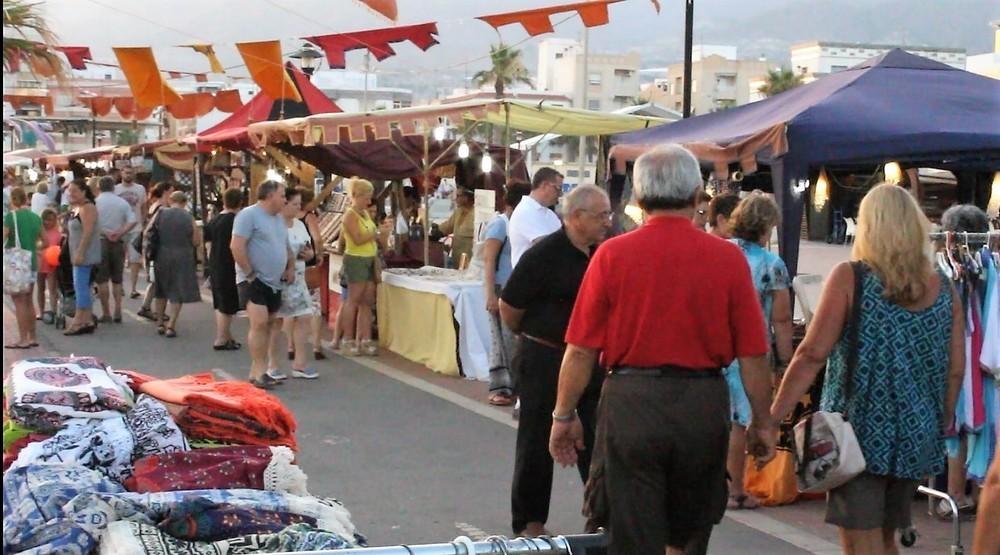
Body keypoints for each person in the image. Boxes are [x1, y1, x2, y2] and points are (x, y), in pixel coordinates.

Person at [549, 145, 776, 555]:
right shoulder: (727, 259)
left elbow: (580, 350)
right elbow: (753, 355)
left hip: (632, 403)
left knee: (630, 530)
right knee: (689, 532)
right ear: (695, 195)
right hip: (702, 405)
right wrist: (763, 422)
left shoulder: (611, 255)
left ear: (639, 197)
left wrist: (563, 414)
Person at [770, 184, 964, 555]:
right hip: (917, 430)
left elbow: (811, 353)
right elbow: (956, 370)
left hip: (857, 430)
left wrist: (773, 417)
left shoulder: (851, 277)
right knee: (886, 537)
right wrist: (942, 420)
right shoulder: (943, 288)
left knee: (860, 542)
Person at [499, 185, 612, 538]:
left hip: (590, 358)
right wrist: (537, 335)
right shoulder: (544, 254)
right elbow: (509, 307)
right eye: (601, 215)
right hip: (544, 355)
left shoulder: (603, 253)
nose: (607, 222)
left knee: (597, 436)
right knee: (536, 438)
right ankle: (529, 522)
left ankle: (602, 515)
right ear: (576, 217)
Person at [722, 193, 794, 510]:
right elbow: (781, 318)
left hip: (713, 348)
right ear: (767, 226)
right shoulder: (771, 265)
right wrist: (785, 360)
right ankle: (735, 489)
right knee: (739, 421)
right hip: (749, 352)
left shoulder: (719, 251)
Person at [937, 204, 991, 519]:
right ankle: (978, 493)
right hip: (982, 355)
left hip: (961, 353)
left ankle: (955, 494)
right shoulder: (979, 267)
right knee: (975, 420)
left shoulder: (948, 270)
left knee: (956, 422)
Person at [231, 180, 294, 389]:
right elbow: (236, 246)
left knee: (269, 324)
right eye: (282, 195)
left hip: (274, 281)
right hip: (253, 279)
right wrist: (249, 273)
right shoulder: (248, 215)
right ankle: (259, 372)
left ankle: (258, 369)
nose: (285, 200)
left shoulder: (279, 219)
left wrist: (290, 267)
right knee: (259, 323)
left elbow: (286, 247)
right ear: (269, 196)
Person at [482, 184, 529, 407]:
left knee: (513, 340)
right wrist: (490, 293)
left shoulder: (522, 224)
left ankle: (514, 385)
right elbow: (489, 259)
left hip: (516, 287)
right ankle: (500, 386)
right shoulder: (500, 224)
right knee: (502, 340)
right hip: (502, 287)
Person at [268, 187, 320, 381]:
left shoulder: (299, 224)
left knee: (304, 316)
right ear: (284, 204)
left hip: (298, 277)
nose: (299, 207)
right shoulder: (274, 224)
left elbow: (308, 247)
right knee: (277, 321)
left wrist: (310, 254)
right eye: (295, 204)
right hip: (279, 278)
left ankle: (300, 363)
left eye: (300, 204)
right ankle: (273, 364)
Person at [341, 178, 392, 357]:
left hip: (370, 258)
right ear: (356, 196)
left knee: (368, 301)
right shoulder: (350, 215)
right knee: (353, 299)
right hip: (356, 259)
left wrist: (381, 235)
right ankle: (347, 339)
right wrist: (377, 233)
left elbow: (371, 235)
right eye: (366, 197)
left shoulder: (364, 214)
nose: (368, 201)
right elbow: (357, 239)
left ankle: (365, 339)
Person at [150, 191, 201, 338]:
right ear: (184, 202)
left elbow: (148, 232)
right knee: (177, 291)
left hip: (162, 255)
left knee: (161, 290)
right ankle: (171, 325)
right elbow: (196, 241)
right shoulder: (189, 217)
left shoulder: (160, 213)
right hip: (183, 256)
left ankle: (160, 322)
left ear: (171, 200)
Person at [284, 186, 326, 362]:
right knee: (314, 306)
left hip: (290, 268)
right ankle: (316, 345)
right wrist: (319, 255)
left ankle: (290, 345)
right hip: (307, 266)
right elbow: (317, 239)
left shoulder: (286, 220)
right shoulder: (309, 218)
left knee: (290, 309)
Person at [3, 187, 43, 349]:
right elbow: (45, 241)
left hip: (17, 264)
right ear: (26, 199)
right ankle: (33, 337)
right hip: (31, 262)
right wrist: (34, 247)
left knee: (19, 301)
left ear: (12, 199)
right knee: (28, 301)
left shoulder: (10, 217)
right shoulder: (35, 217)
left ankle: (23, 339)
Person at [94, 176, 137, 323]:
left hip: (100, 241)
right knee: (117, 279)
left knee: (102, 279)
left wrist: (105, 232)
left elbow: (91, 223)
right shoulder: (122, 202)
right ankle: (118, 310)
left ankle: (106, 312)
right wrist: (120, 232)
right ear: (113, 187)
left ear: (99, 187)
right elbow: (132, 221)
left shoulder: (95, 203)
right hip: (118, 242)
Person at [205, 187, 243, 351]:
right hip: (230, 264)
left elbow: (207, 245)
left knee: (219, 302)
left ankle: (227, 336)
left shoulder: (214, 221)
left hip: (215, 263)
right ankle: (221, 338)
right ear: (240, 202)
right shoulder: (236, 222)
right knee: (227, 304)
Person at [64, 178, 101, 335]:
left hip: (85, 254)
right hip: (77, 252)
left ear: (84, 192)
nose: (71, 194)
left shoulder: (87, 207)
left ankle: (79, 320)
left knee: (81, 287)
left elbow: (88, 232)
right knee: (83, 286)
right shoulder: (77, 208)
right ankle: (87, 319)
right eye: (69, 191)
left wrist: (80, 252)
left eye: (75, 191)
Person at [509, 167, 563, 268]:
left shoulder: (550, 214)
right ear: (545, 185)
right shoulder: (525, 211)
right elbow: (546, 245)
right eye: (558, 189)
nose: (560, 194)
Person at [137, 182, 174, 321]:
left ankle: (146, 307)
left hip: (150, 247)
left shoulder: (155, 205)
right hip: (158, 247)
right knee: (160, 281)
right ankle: (157, 311)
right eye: (171, 191)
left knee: (155, 281)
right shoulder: (162, 208)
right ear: (165, 192)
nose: (172, 194)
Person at [115, 168, 147, 300]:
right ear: (121, 174)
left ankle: (133, 288)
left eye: (130, 172)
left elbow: (144, 206)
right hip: (120, 228)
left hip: (136, 229)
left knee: (135, 259)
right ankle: (120, 286)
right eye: (126, 172)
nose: (128, 175)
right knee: (119, 259)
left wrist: (142, 222)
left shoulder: (140, 189)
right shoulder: (115, 189)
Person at [437, 187, 475, 267]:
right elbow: (447, 227)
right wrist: (436, 230)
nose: (455, 199)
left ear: (466, 198)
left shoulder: (476, 213)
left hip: (470, 262)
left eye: (458, 196)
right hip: (457, 260)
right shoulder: (458, 212)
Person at [35, 208, 62, 323]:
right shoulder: (38, 233)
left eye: (51, 220)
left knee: (52, 289)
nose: (48, 222)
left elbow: (60, 250)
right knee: (40, 288)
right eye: (46, 220)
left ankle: (54, 311)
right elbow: (34, 246)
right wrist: (39, 252)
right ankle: (41, 312)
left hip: (52, 265)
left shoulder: (58, 235)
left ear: (55, 221)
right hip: (40, 263)